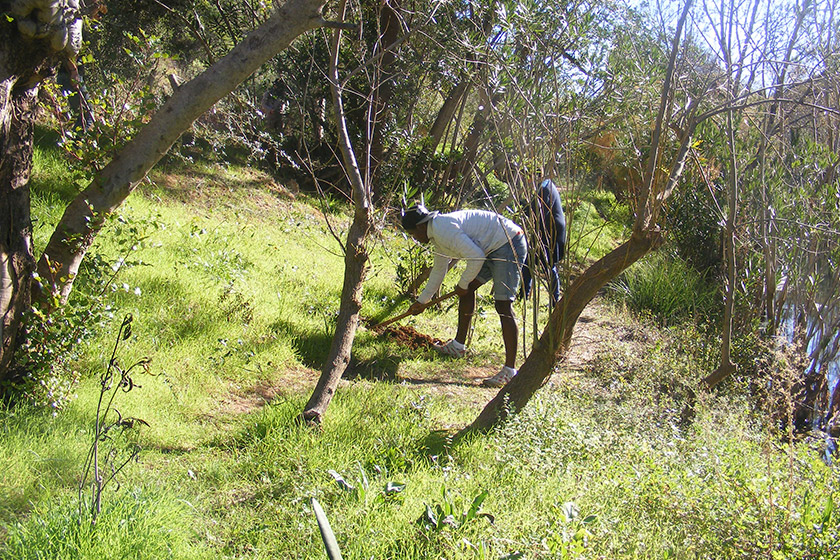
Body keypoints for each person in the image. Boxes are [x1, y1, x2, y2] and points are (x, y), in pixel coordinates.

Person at [401, 204, 527, 387]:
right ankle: (458, 347)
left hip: (509, 243)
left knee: (503, 305)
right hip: (490, 247)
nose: (416, 239)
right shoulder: (436, 235)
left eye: (414, 234)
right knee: (467, 291)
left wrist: (462, 285)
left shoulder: (444, 230)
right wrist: (422, 301)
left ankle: (510, 370)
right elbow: (438, 270)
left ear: (420, 227)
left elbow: (476, 257)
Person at [521, 178, 566, 305]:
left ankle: (554, 301)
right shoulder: (547, 184)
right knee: (530, 262)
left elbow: (536, 210)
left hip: (551, 232)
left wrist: (522, 205)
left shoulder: (544, 189)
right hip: (547, 230)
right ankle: (523, 295)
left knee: (547, 265)